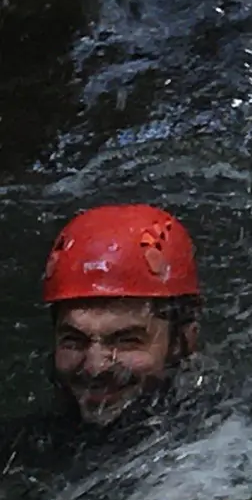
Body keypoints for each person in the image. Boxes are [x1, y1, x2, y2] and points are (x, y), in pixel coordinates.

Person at [2, 205, 207, 479]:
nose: (95, 367)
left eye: (126, 341)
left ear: (183, 342)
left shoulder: (229, 440)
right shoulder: (22, 451)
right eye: (74, 341)